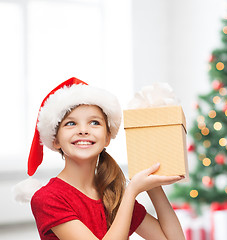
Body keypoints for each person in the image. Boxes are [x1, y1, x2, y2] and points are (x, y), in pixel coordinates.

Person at [26, 77, 185, 240]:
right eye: (71, 124)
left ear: (108, 137)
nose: (83, 130)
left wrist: (153, 185)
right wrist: (132, 191)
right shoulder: (47, 198)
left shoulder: (112, 195)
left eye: (94, 122)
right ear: (56, 139)